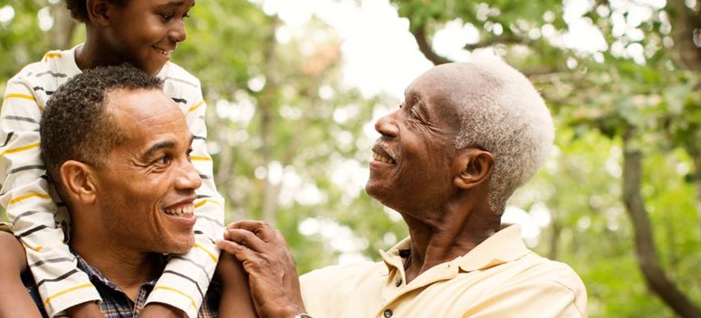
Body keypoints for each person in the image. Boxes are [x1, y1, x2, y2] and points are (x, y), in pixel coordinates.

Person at [0, 0, 224, 318]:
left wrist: (166, 307)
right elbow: (30, 207)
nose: (180, 32)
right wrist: (81, 307)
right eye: (166, 15)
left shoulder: (181, 88)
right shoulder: (35, 86)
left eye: (186, 15)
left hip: (157, 261)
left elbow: (201, 205)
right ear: (101, 10)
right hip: (65, 263)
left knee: (236, 251)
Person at [218, 56, 588, 317]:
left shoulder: (538, 292)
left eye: (416, 115)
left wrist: (291, 315)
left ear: (472, 168)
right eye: (399, 105)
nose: (384, 122)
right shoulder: (322, 287)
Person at [0, 66, 254, 318]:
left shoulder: (231, 296)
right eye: (161, 159)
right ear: (82, 182)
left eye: (188, 154)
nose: (193, 180)